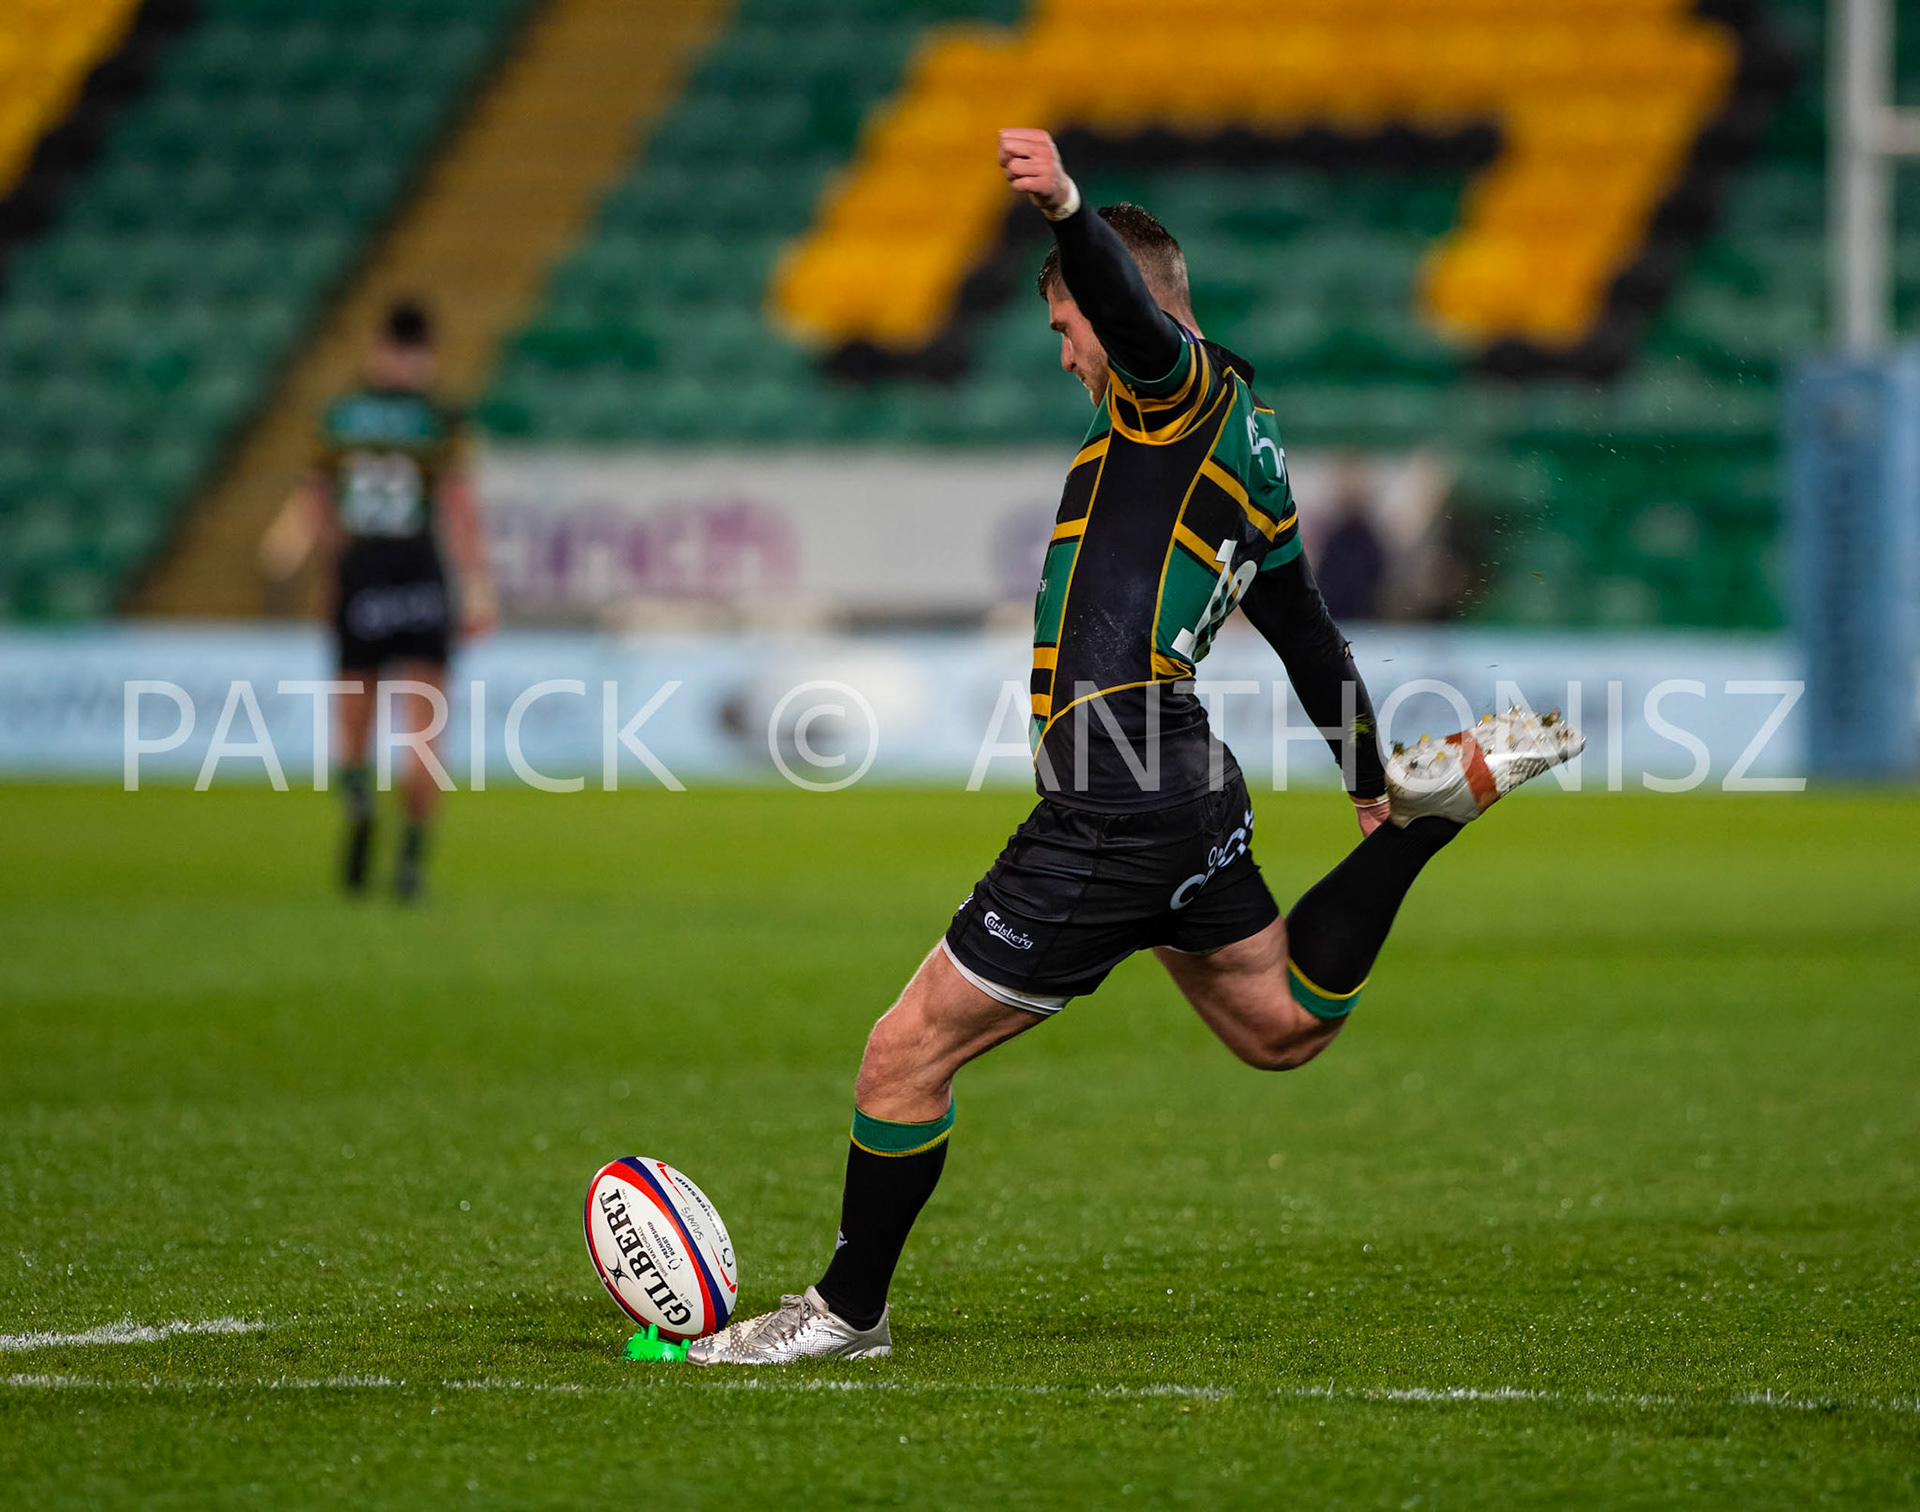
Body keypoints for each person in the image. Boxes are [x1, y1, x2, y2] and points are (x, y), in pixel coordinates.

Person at [687, 131, 1580, 1365]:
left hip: (1117, 796)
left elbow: (1130, 314)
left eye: (1067, 329)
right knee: (1280, 1024)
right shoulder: (1249, 444)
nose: (1066, 355)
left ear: (1126, 312)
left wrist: (1064, 210)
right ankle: (1427, 826)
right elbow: (1306, 633)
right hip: (1183, 786)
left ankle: (846, 1314)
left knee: (903, 1053)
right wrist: (1372, 784)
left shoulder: (1177, 394)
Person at [259, 299, 496, 900]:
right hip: (420, 572)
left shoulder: (341, 416)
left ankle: (359, 801)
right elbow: (459, 505)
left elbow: (317, 503)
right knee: (425, 731)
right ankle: (412, 861)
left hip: (361, 571)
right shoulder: (440, 417)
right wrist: (477, 586)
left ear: (377, 346)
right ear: (427, 352)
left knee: (354, 723)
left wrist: (331, 575)